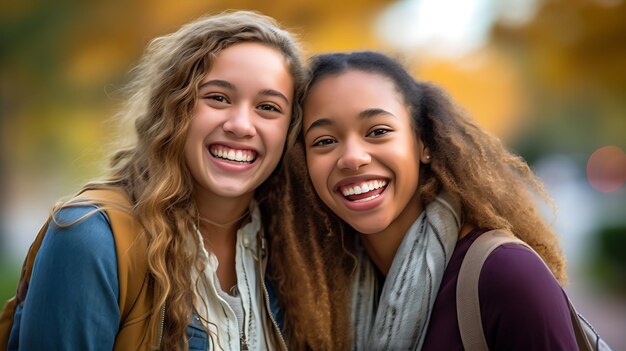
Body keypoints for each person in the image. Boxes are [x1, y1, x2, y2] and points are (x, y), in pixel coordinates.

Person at [0, 10, 306, 350]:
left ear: (291, 130)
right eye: (218, 98)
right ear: (174, 107)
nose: (241, 125)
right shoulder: (91, 238)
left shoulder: (291, 253)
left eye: (268, 107)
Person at [277, 50, 583, 350]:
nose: (352, 158)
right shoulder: (324, 293)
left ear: (423, 141)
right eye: (325, 141)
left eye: (378, 131)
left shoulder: (506, 274)